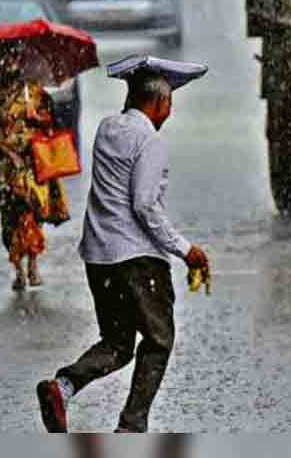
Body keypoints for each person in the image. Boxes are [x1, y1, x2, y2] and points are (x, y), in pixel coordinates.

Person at [36, 68, 209, 434]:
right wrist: (185, 250)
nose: (169, 111)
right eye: (169, 103)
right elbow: (144, 205)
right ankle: (131, 427)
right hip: (137, 260)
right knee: (159, 340)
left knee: (116, 342)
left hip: (99, 257)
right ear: (159, 102)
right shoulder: (149, 141)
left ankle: (62, 388)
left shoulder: (106, 129)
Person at [0, 54, 70, 291]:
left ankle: (33, 266)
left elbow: (50, 122)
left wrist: (38, 117)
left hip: (32, 162)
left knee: (32, 213)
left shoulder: (35, 92)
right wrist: (8, 152)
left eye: (16, 61)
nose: (12, 66)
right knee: (11, 217)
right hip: (5, 166)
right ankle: (18, 270)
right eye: (7, 61)